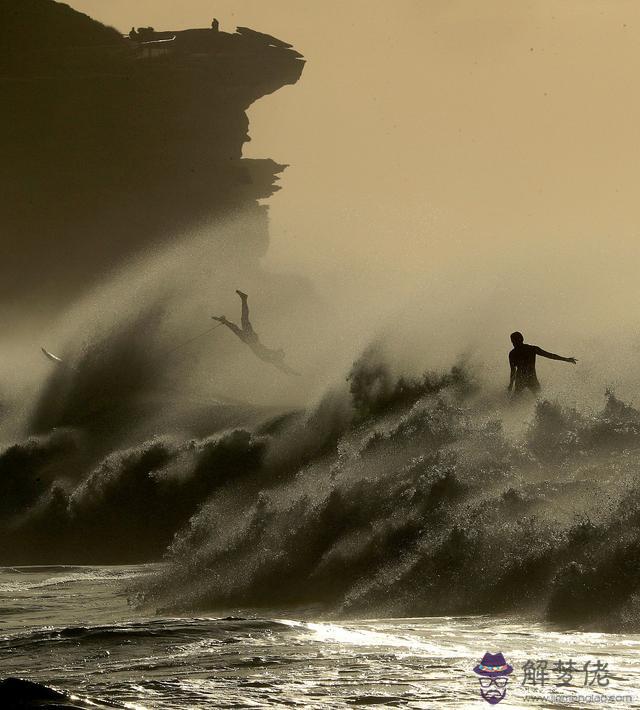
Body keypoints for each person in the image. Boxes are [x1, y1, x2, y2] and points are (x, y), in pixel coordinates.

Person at [213, 290, 300, 376]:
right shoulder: (274, 358)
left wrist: (291, 372)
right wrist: (292, 372)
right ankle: (244, 299)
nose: (279, 355)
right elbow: (283, 367)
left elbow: (282, 367)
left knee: (236, 328)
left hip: (249, 341)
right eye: (280, 354)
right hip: (252, 339)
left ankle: (224, 320)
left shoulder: (273, 359)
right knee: (243, 320)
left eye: (280, 354)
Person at [508, 331, 576, 395]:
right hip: (527, 378)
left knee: (538, 398)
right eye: (513, 342)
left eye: (514, 341)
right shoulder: (530, 349)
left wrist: (511, 385)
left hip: (525, 379)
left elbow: (549, 355)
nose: (513, 343)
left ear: (520, 340)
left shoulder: (515, 353)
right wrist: (566, 359)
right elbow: (513, 370)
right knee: (539, 398)